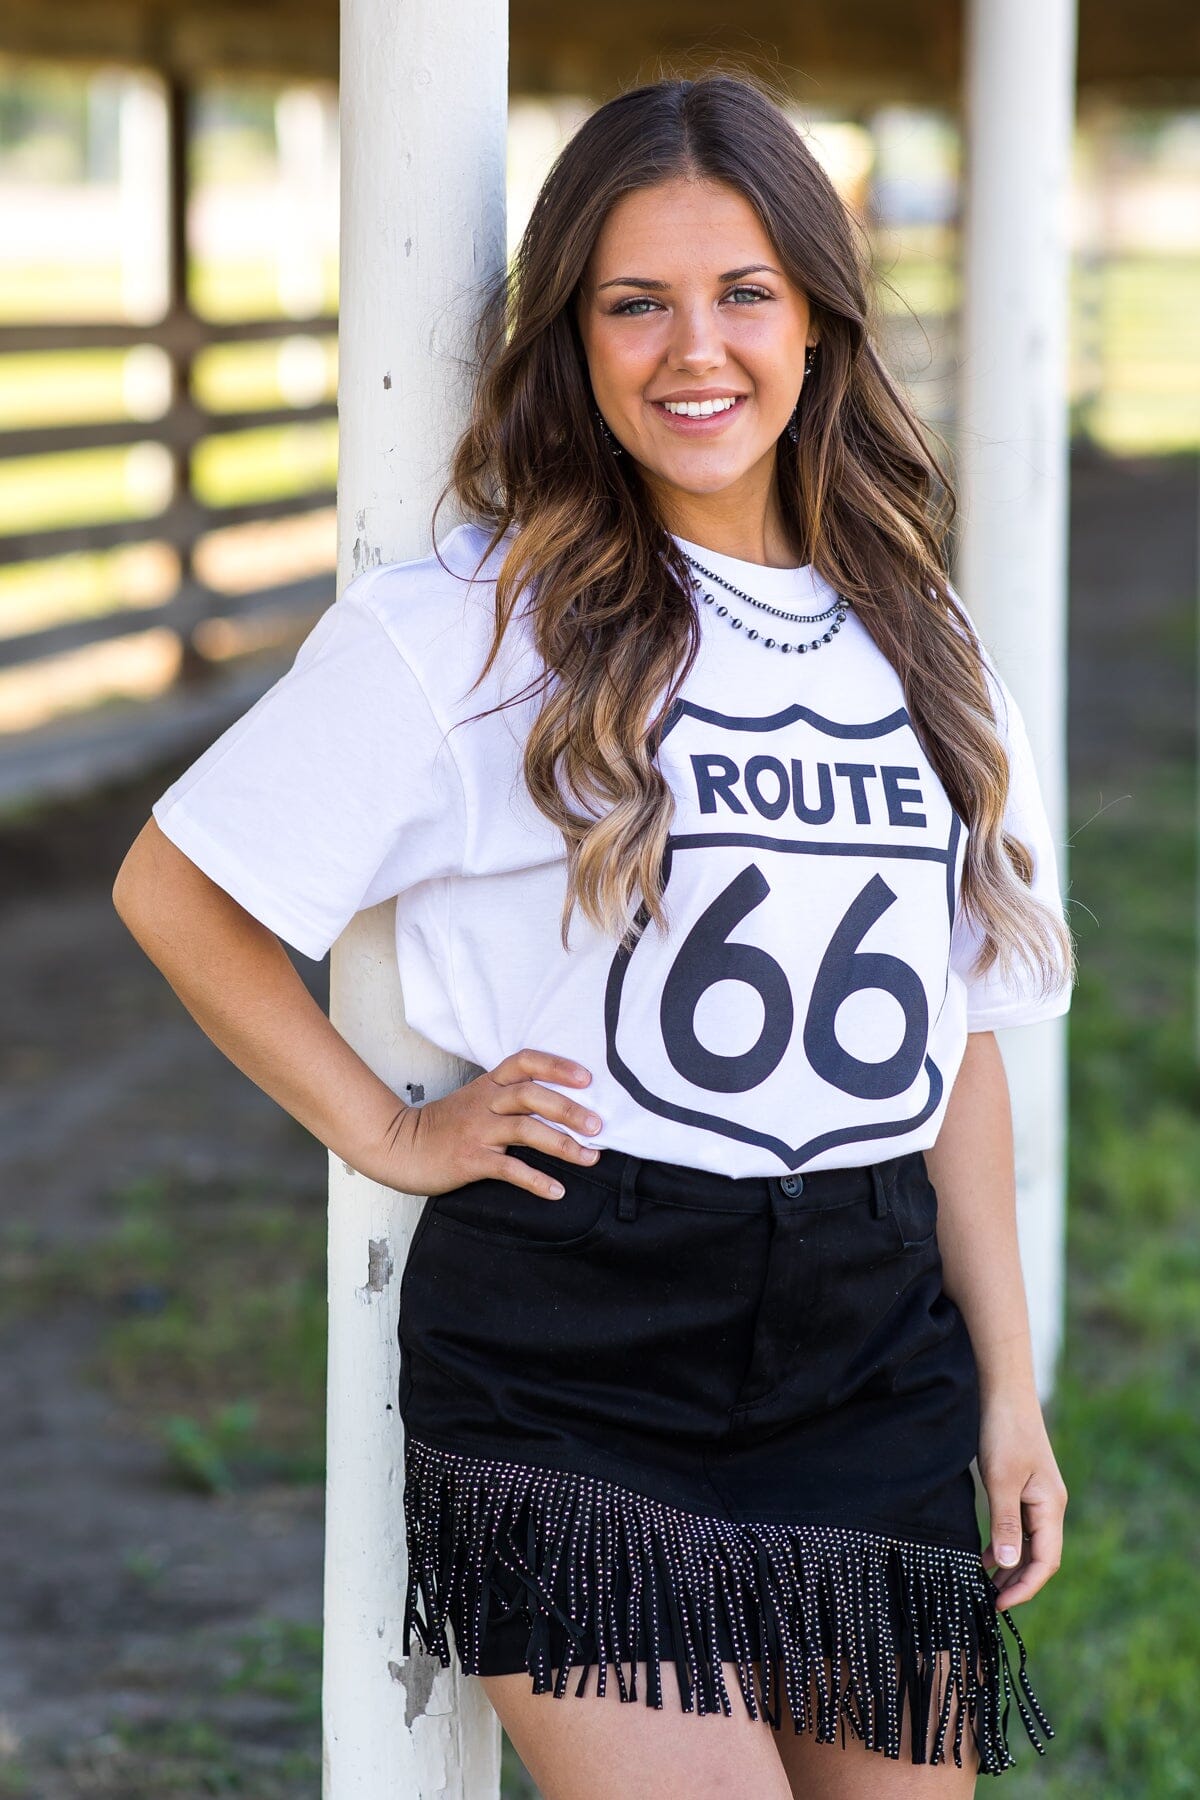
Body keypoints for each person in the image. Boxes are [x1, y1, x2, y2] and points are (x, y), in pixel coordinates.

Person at [113, 70, 1075, 1800]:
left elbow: (961, 1047)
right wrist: (389, 1128)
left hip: (873, 1346)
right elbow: (178, 886)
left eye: (743, 295)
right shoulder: (482, 628)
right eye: (635, 303)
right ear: (572, 336)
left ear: (818, 322)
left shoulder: (921, 640)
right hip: (583, 1351)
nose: (691, 349)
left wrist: (1008, 1392)